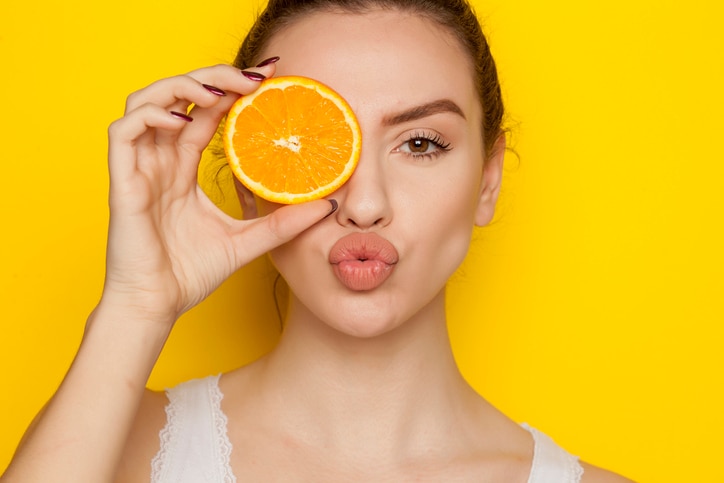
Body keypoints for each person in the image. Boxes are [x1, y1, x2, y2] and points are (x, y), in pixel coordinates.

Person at [1, 0, 633, 481]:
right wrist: (136, 304)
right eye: (302, 145)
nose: (364, 206)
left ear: (488, 180)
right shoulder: (116, 454)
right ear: (252, 179)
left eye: (421, 143)